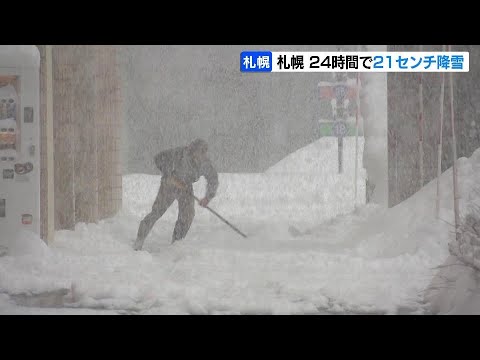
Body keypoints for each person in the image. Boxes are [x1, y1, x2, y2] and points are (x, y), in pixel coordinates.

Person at [133, 138, 219, 250]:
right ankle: (140, 239)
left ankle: (177, 243)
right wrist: (169, 174)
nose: (202, 155)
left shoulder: (205, 163)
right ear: (193, 150)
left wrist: (208, 197)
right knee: (157, 212)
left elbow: (213, 179)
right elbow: (158, 159)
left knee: (187, 215)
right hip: (169, 184)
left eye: (204, 152)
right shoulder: (179, 153)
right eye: (200, 151)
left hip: (186, 187)